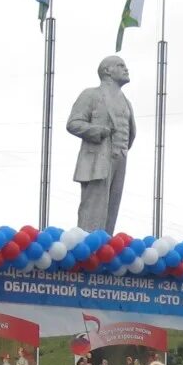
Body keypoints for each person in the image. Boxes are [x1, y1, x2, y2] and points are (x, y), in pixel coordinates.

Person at [66, 55, 136, 233]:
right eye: (121, 65)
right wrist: (98, 131)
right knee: (93, 211)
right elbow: (73, 123)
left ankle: (105, 250)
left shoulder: (127, 102)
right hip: (98, 159)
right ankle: (88, 251)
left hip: (120, 158)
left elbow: (130, 133)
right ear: (107, 71)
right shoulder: (91, 94)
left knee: (112, 211)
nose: (126, 69)